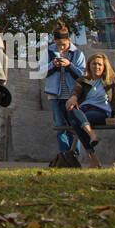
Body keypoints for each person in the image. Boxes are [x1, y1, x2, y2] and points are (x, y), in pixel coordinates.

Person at [64, 54, 115, 168]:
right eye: (94, 64)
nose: (97, 67)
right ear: (89, 66)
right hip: (83, 110)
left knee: (76, 122)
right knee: (72, 109)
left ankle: (93, 158)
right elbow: (75, 91)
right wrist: (73, 98)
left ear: (104, 66)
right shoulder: (83, 80)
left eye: (99, 64)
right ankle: (92, 135)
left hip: (100, 112)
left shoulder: (112, 78)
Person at [44, 24, 86, 156]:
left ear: (69, 40)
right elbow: (41, 72)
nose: (61, 47)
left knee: (73, 125)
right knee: (60, 126)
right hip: (55, 95)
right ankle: (64, 155)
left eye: (63, 44)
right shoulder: (49, 52)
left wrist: (69, 65)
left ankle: (74, 155)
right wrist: (53, 64)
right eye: (58, 44)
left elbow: (82, 75)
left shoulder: (77, 53)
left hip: (71, 95)